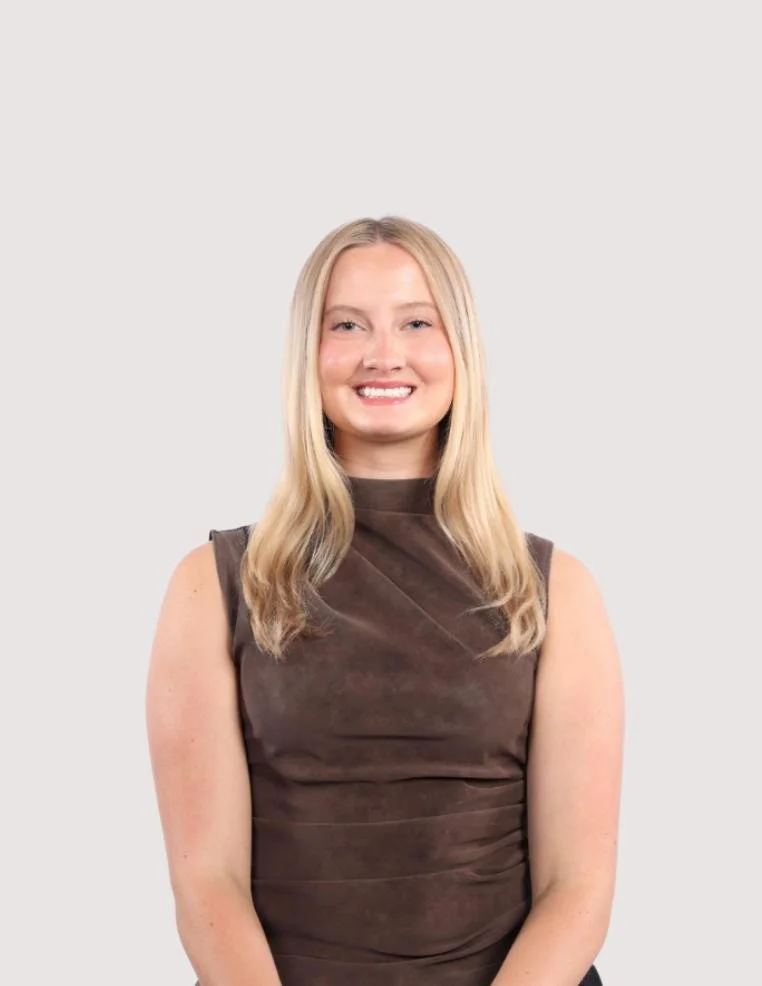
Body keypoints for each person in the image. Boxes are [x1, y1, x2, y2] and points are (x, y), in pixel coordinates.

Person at [146, 216, 624, 986]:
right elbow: (208, 882)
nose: (383, 353)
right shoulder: (214, 584)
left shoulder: (554, 590)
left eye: (416, 322)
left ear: (460, 349)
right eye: (347, 324)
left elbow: (579, 889)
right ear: (310, 354)